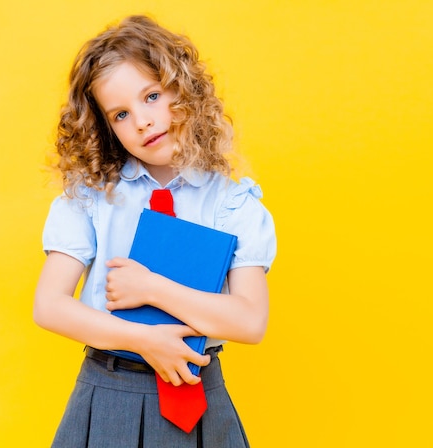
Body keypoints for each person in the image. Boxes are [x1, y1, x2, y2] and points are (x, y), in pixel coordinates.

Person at [34, 14, 276, 447]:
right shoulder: (90, 198)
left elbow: (251, 320)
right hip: (108, 394)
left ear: (183, 90)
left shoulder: (232, 203)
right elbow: (49, 306)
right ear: (105, 127)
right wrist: (144, 339)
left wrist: (151, 288)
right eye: (121, 114)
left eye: (151, 96)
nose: (142, 121)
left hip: (199, 393)